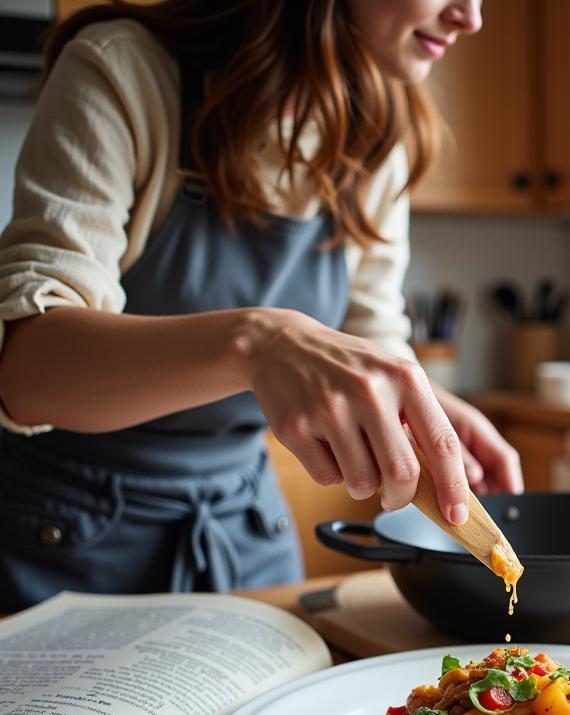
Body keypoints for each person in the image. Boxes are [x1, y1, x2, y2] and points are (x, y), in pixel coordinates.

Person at [0, 0, 522, 612]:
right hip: (66, 537)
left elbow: (372, 338)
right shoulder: (124, 68)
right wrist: (257, 341)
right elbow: (28, 373)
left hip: (248, 531)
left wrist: (428, 409)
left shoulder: (379, 137)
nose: (471, 18)